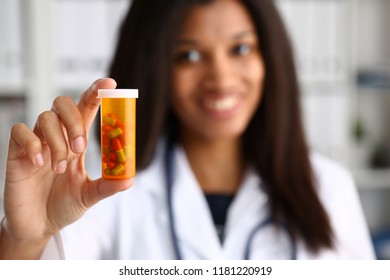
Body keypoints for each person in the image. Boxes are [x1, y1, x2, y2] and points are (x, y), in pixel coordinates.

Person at [0, 0, 375, 259]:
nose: (221, 78)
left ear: (270, 58)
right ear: (155, 68)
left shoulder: (331, 187)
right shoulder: (103, 194)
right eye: (189, 55)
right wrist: (27, 239)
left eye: (240, 49)